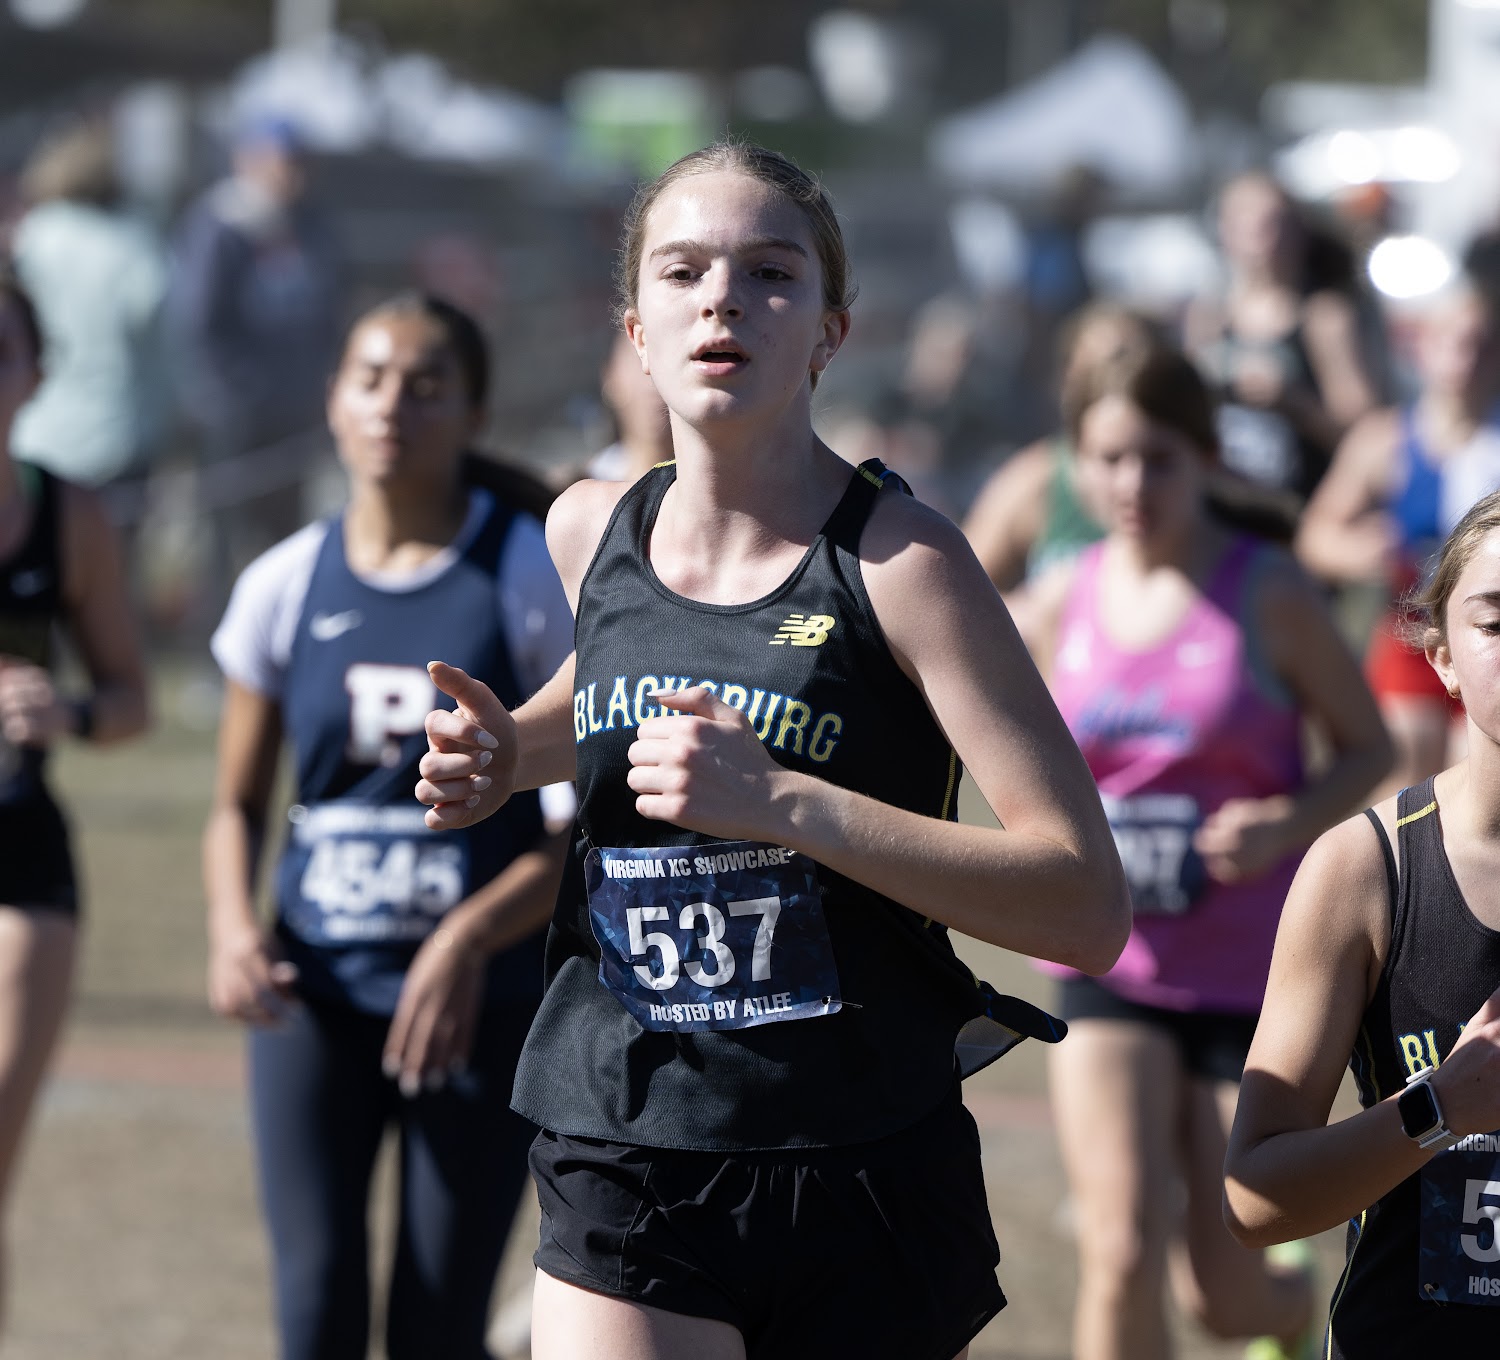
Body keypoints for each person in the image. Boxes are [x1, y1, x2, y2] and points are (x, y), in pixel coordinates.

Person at [414, 140, 1132, 1360]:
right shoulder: (590, 531)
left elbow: (1084, 903)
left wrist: (786, 803)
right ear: (635, 332)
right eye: (683, 271)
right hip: (626, 1132)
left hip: (860, 1154)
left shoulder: (904, 564)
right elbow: (611, 706)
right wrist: (504, 752)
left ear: (830, 332)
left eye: (770, 273)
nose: (723, 301)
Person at [202, 292, 573, 1360]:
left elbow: (576, 832)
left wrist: (467, 938)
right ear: (333, 399)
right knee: (313, 1311)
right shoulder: (283, 581)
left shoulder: (522, 574)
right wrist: (233, 929)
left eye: (425, 386)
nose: (392, 407)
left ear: (474, 412)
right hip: (315, 996)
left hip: (477, 1004)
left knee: (436, 1326)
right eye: (369, 380)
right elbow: (235, 805)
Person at [1016, 344, 1392, 1360]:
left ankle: (1286, 1313)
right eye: (1109, 459)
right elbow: (1022, 771)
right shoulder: (1059, 599)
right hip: (1110, 960)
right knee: (1119, 1247)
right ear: (1077, 463)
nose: (1132, 484)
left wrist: (1283, 824)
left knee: (1224, 1293)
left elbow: (1370, 749)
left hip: (1248, 976)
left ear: (1206, 458)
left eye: (1159, 459)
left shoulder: (1269, 590)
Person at [1225, 488, 1500, 1355]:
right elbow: (1255, 1198)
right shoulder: (1365, 869)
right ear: (1441, 656)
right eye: (1497, 621)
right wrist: (1443, 1107)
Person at [0, 268, 149, 1326]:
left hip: (21, 861)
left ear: (35, 374)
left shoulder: (69, 514)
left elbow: (133, 696)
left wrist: (70, 712)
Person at [1297, 280, 1500, 796]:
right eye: (1452, 342)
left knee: (1476, 776)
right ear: (1421, 347)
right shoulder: (1385, 439)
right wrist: (1361, 549)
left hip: (1490, 630)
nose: (1466, 359)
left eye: (1481, 345)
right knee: (1404, 772)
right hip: (1412, 631)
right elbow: (1315, 534)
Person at [170, 113, 345, 634]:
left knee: (286, 535)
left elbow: (331, 306)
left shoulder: (310, 224)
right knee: (225, 537)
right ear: (247, 161)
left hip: (295, 408)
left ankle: (279, 635)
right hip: (236, 414)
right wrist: (230, 396)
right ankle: (215, 641)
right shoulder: (219, 224)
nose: (290, 174)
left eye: (298, 163)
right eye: (280, 162)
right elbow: (198, 322)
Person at [1185, 171, 1380, 503]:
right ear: (1224, 231)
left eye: (1273, 222)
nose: (1261, 234)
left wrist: (1293, 403)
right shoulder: (1208, 317)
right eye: (1245, 220)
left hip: (1305, 503)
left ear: (1298, 232)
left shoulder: (1324, 317)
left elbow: (1366, 434)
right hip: (1228, 506)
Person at [9, 119, 171, 498]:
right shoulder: (134, 244)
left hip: (37, 432)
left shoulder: (32, 237)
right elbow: (161, 338)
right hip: (118, 436)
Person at [961, 302, 1159, 603]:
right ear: (1067, 377)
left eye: (1128, 365)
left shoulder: (1192, 479)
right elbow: (958, 592)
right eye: (1095, 368)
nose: (1114, 384)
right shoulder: (1034, 481)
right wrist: (1037, 613)